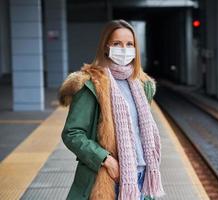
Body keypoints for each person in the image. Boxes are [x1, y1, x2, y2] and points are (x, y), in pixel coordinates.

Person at [58, 19, 165, 200]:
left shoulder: (142, 85)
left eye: (129, 44)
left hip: (142, 177)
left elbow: (140, 131)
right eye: (117, 44)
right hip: (109, 177)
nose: (124, 49)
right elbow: (72, 133)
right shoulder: (92, 84)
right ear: (106, 46)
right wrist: (105, 160)